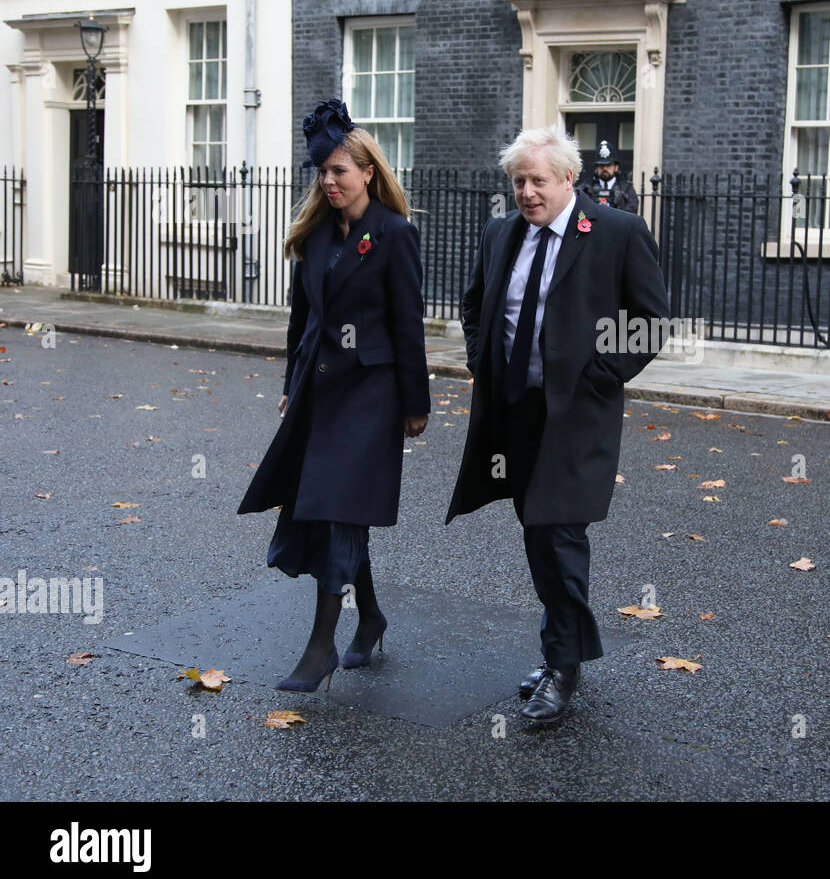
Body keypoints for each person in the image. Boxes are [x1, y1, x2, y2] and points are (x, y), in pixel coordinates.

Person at [445, 126, 670, 724]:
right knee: (539, 537)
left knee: (558, 534)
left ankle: (563, 667)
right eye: (518, 181)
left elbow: (649, 322)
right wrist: (481, 359)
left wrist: (599, 376)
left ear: (569, 178)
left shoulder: (616, 232)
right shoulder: (500, 234)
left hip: (576, 418)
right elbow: (473, 305)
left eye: (537, 180)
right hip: (516, 413)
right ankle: (561, 650)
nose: (525, 192)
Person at [238, 99, 430, 692]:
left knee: (338, 508)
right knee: (334, 506)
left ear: (368, 172)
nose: (329, 181)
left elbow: (408, 323)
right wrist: (290, 388)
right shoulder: (316, 237)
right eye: (323, 172)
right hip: (320, 395)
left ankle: (321, 646)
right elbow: (303, 324)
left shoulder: (394, 235)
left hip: (371, 395)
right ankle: (368, 617)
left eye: (339, 171)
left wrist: (415, 402)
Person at [577, 139, 639, 214]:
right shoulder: (585, 188)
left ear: (616, 167)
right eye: (601, 165)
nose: (605, 168)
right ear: (596, 167)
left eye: (608, 165)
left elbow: (632, 210)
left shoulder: (626, 189)